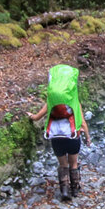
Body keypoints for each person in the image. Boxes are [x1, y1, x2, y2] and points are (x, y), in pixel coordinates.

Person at [29, 64, 91, 201]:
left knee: (63, 164)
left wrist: (32, 116)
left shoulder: (51, 102)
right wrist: (88, 138)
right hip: (72, 136)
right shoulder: (74, 102)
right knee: (73, 163)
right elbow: (83, 123)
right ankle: (75, 189)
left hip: (56, 137)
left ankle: (64, 190)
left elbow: (37, 116)